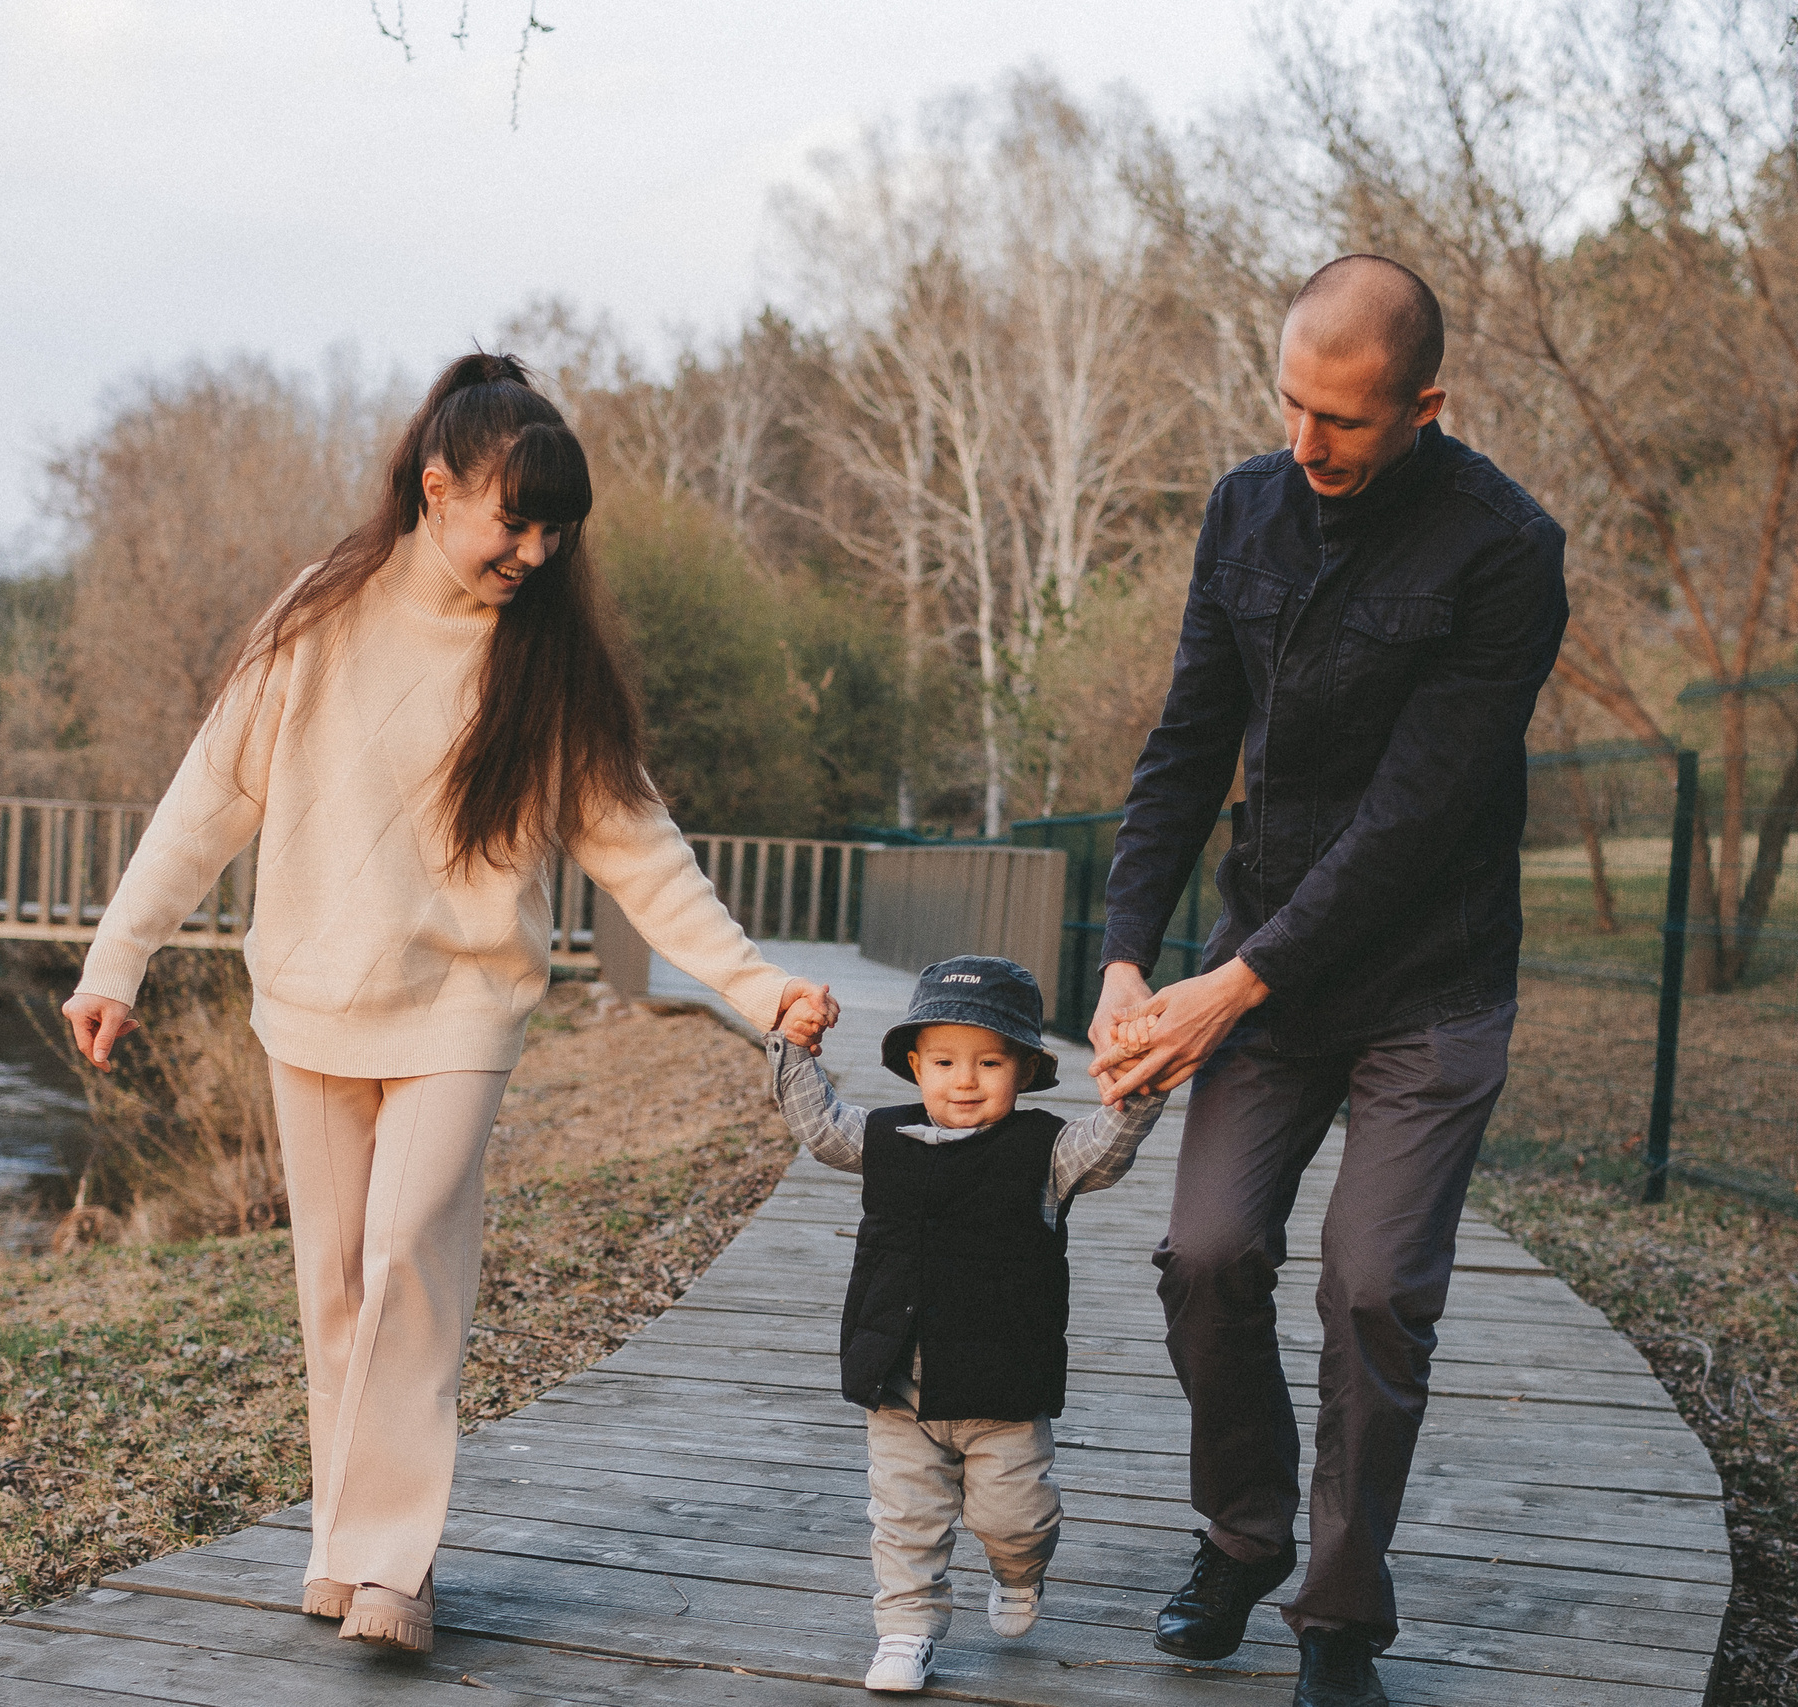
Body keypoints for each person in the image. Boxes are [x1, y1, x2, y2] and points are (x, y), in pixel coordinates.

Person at [61, 352, 837, 1656]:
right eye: (511, 519)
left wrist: (757, 985)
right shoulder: (316, 618)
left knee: (409, 1254)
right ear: (436, 486)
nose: (532, 550)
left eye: (552, 530)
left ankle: (389, 1566)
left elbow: (644, 853)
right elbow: (209, 798)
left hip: (462, 1008)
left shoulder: (551, 671)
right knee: (335, 1286)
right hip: (310, 998)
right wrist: (113, 958)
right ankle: (343, 1545)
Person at [1087, 256, 1567, 1707]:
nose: (1309, 446)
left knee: (1371, 1288)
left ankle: (1340, 1618)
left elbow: (1411, 823)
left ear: (1424, 405)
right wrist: (1123, 953)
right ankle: (1243, 1533)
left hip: (1430, 983)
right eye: (1292, 405)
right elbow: (1186, 742)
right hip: (1264, 976)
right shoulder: (1245, 508)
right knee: (1208, 1254)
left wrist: (1228, 985)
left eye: (1346, 422)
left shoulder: (1506, 551)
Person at [768, 957, 1166, 1695]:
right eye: (945, 1061)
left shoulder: (1044, 1152)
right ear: (915, 1064)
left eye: (990, 1062)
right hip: (900, 1384)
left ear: (1026, 1068)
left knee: (1016, 1517)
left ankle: (1020, 1570)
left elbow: (1106, 1147)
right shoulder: (881, 1138)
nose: (965, 1079)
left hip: (1002, 1390)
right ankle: (905, 1631)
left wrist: (1140, 1081)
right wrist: (793, 1044)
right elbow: (819, 1127)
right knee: (904, 1520)